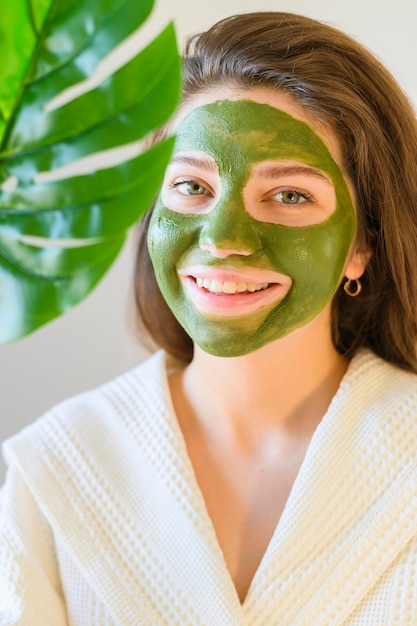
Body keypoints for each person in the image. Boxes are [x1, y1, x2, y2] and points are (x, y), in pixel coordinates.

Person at [2, 11, 417, 625]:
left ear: (364, 245)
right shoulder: (54, 469)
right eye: (191, 187)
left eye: (290, 195)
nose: (223, 238)